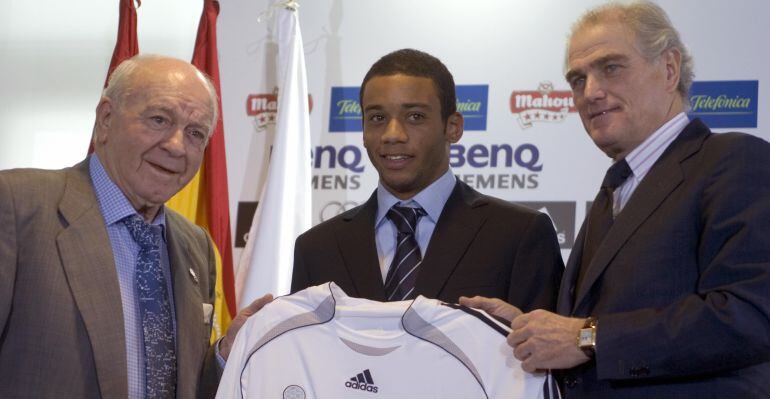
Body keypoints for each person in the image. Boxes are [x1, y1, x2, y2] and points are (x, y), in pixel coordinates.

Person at [462, 2, 770, 398]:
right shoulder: (617, 189)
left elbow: (751, 314)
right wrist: (524, 330)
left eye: (611, 67)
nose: (590, 92)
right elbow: (595, 330)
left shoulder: (734, 161)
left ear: (669, 69)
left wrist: (588, 338)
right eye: (577, 78)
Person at [0, 55, 270, 399]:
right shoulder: (15, 204)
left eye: (195, 133)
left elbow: (176, 385)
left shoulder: (196, 246)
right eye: (159, 119)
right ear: (106, 119)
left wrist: (224, 357)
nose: (176, 146)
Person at [292, 49, 563, 311]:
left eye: (415, 117)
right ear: (363, 130)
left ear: (453, 127)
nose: (392, 134)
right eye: (377, 118)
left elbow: (548, 352)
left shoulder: (519, 235)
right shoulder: (316, 248)